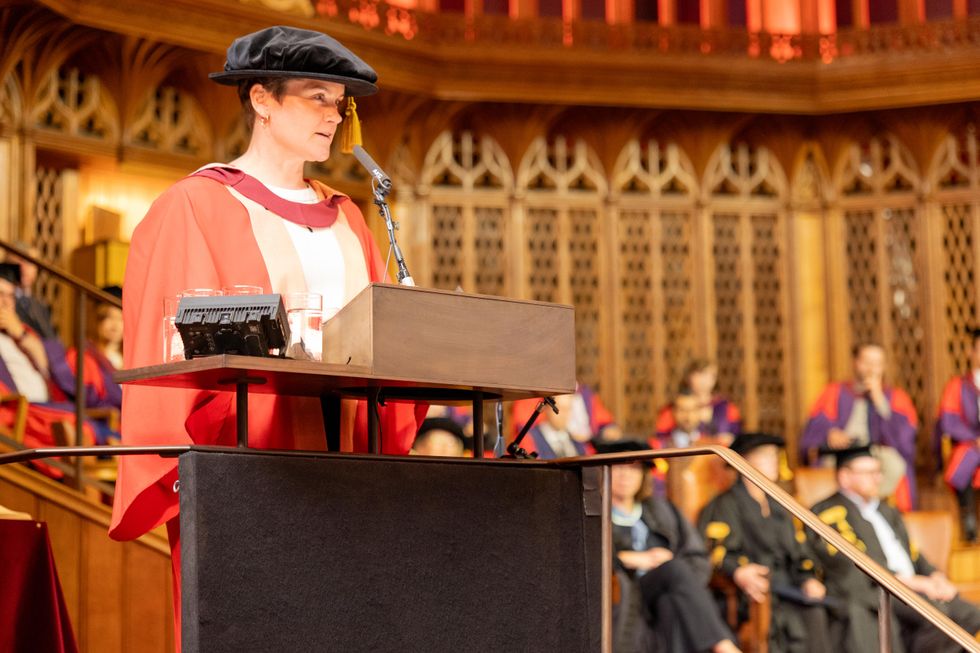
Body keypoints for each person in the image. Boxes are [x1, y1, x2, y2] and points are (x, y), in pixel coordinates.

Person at [109, 25, 427, 639]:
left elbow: (380, 337)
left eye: (340, 103)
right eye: (317, 97)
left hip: (350, 479)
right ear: (261, 99)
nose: (335, 117)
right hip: (246, 478)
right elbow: (167, 351)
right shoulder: (195, 206)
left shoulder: (350, 216)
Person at [809, 445, 980, 653]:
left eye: (878, 472)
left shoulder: (886, 510)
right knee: (939, 616)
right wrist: (918, 584)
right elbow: (856, 561)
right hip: (880, 590)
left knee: (971, 614)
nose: (878, 479)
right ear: (845, 476)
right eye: (869, 473)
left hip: (914, 588)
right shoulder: (830, 511)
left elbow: (913, 553)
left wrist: (935, 576)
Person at [601, 440, 740, 653]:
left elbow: (696, 557)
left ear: (643, 475)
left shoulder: (661, 510)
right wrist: (630, 559)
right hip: (626, 593)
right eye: (619, 467)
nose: (626, 476)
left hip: (664, 591)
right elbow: (584, 560)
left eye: (634, 468)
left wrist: (678, 579)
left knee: (671, 600)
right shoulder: (596, 515)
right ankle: (725, 647)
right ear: (605, 472)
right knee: (674, 569)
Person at [699, 433, 831, 653]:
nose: (774, 461)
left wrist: (807, 579)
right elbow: (719, 551)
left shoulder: (780, 504)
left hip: (789, 587)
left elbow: (798, 553)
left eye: (774, 455)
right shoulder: (726, 504)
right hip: (754, 591)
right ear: (744, 462)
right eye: (765, 455)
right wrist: (739, 571)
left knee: (817, 611)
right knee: (782, 618)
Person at [800, 342, 918, 511]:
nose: (872, 368)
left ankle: (872, 507)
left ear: (884, 367)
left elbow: (903, 439)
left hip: (874, 453)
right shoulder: (834, 392)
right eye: (867, 362)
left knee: (896, 464)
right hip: (841, 452)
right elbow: (814, 430)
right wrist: (830, 434)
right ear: (855, 362)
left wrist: (879, 401)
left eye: (877, 364)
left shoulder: (895, 397)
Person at [0, 263, 100, 458]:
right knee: (79, 427)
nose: (5, 303)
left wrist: (20, 334)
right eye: (0, 295)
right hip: (18, 411)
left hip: (42, 408)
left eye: (10, 296)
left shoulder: (22, 334)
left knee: (86, 426)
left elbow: (47, 365)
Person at [934, 327, 980, 541]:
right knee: (965, 459)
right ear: (971, 352)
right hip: (968, 444)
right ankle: (968, 516)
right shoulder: (957, 386)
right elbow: (948, 422)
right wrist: (974, 438)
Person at [655, 359, 741, 443]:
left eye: (711, 375)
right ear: (689, 377)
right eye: (701, 374)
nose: (705, 379)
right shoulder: (675, 407)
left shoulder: (725, 407)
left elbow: (736, 434)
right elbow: (661, 438)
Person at [5, 241, 57, 340]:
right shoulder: (4, 300)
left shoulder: (41, 306)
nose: (24, 268)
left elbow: (54, 344)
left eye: (30, 262)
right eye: (19, 260)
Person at [525, 393, 595, 459]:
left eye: (568, 409)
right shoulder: (531, 438)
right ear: (547, 408)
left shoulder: (577, 441)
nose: (564, 414)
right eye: (560, 408)